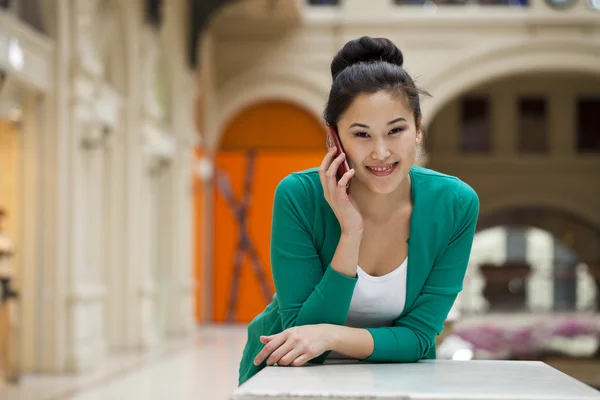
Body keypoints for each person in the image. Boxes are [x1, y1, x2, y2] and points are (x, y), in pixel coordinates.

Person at [237, 36, 480, 386]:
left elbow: (419, 337)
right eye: (362, 134)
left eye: (396, 130)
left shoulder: (455, 204)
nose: (381, 152)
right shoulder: (299, 197)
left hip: (399, 383)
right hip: (287, 379)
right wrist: (350, 233)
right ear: (335, 139)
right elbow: (303, 340)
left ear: (418, 129)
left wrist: (332, 336)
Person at [0, 209, 18, 383]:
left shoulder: (6, 239)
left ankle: (8, 369)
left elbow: (10, 267)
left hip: (5, 288)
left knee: (8, 330)